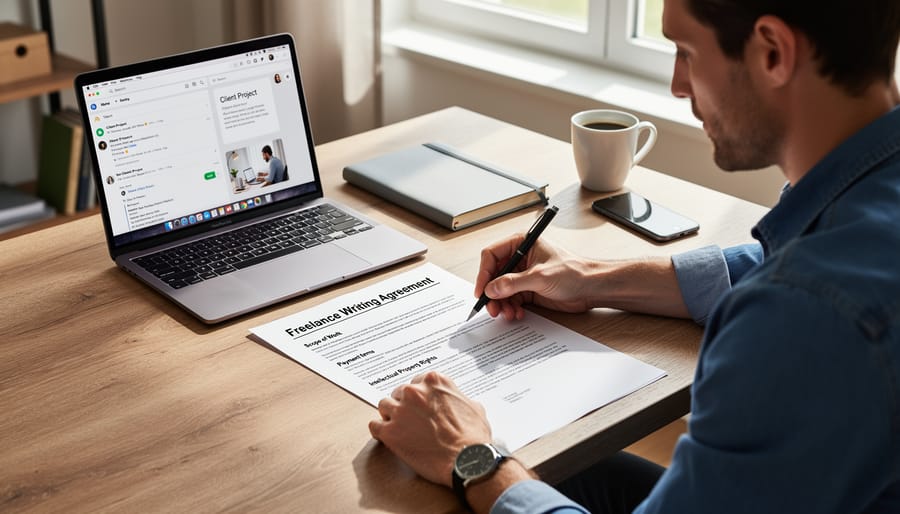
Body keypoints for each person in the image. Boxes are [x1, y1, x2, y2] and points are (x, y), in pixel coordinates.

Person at [368, 0, 900, 512]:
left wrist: (472, 458)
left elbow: (805, 299)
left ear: (771, 53)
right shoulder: (864, 202)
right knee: (568, 470)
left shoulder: (807, 315)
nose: (677, 84)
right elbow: (768, 263)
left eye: (687, 51)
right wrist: (590, 278)